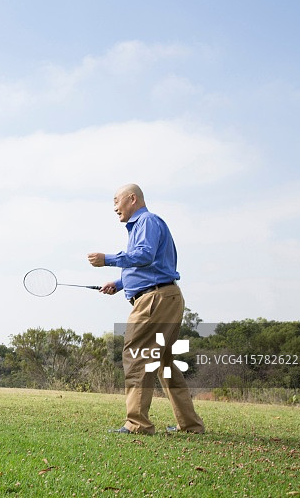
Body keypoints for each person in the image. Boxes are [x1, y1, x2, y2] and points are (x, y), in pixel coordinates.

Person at [87, 184, 204, 434]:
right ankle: (190, 425)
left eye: (116, 200)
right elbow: (151, 264)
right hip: (166, 296)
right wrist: (120, 284)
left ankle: (137, 424)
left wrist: (107, 259)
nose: (114, 207)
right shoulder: (144, 225)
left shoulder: (147, 221)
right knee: (164, 362)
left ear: (132, 199)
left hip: (154, 300)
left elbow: (144, 255)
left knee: (137, 355)